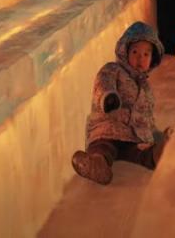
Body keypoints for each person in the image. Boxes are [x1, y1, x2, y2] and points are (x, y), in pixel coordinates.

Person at [71, 22, 169, 185]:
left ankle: (157, 155)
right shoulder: (113, 69)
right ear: (125, 52)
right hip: (109, 128)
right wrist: (109, 97)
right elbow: (103, 83)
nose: (140, 58)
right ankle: (97, 165)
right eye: (135, 52)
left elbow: (148, 118)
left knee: (139, 153)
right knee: (103, 147)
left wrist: (155, 137)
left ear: (152, 58)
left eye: (146, 54)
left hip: (132, 137)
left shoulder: (146, 89)